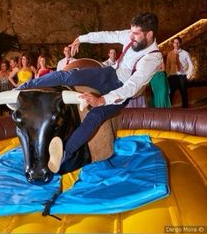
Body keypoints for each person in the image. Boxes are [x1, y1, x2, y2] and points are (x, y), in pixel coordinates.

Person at [18, 12, 163, 173]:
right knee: (70, 75)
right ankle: (24, 87)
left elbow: (132, 87)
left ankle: (64, 153)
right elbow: (108, 35)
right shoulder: (131, 37)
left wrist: (102, 100)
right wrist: (81, 38)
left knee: (95, 116)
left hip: (121, 92)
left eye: (136, 34)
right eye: (131, 32)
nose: (131, 36)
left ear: (149, 35)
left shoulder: (153, 58)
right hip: (109, 74)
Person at [166, 36, 194, 108]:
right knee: (170, 95)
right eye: (175, 43)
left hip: (182, 77)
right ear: (173, 44)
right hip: (172, 77)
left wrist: (187, 76)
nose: (176, 44)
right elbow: (167, 66)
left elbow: (191, 65)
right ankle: (168, 111)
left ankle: (185, 112)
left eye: (178, 43)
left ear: (180, 43)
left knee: (184, 95)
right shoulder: (169, 54)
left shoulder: (186, 53)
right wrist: (168, 76)